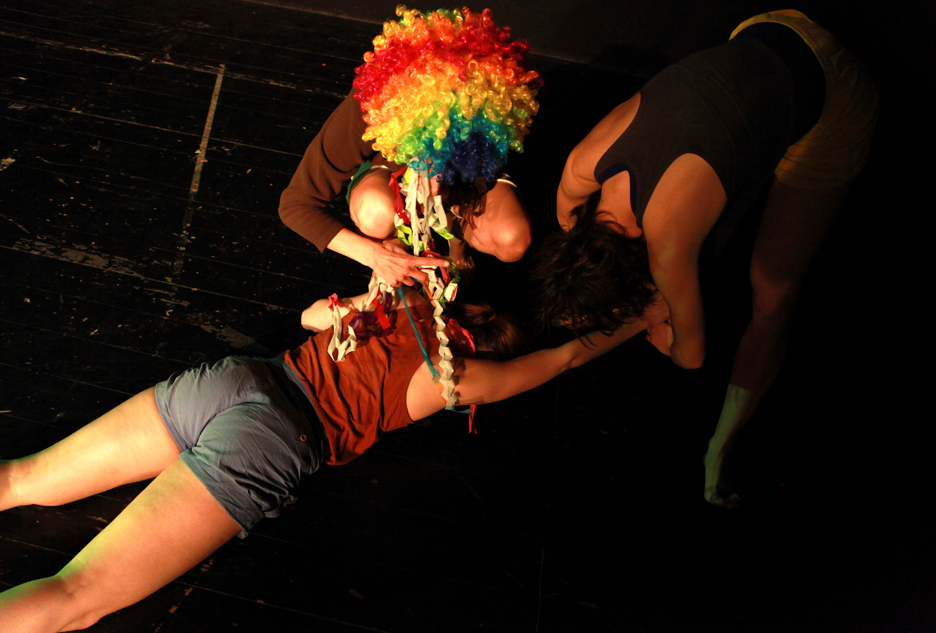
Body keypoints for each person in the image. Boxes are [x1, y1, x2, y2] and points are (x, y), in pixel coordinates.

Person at [0, 286, 669, 632]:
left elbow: (312, 317)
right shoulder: (456, 376)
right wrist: (644, 317)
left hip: (239, 380)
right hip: (272, 440)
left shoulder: (404, 297)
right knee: (78, 596)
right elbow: (562, 359)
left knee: (23, 476)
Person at [532, 10, 879, 508]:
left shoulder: (669, 248)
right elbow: (568, 224)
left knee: (772, 295)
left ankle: (721, 447)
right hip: (773, 24)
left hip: (836, 91)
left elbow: (690, 355)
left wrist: (656, 328)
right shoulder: (579, 170)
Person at [279, 6, 540, 287]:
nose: (435, 182)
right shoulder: (373, 106)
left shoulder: (486, 109)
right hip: (387, 175)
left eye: (449, 151)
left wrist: (458, 188)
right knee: (375, 214)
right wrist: (374, 255)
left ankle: (456, 241)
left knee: (512, 241)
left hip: (470, 182)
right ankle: (394, 241)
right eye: (427, 153)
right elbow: (295, 205)